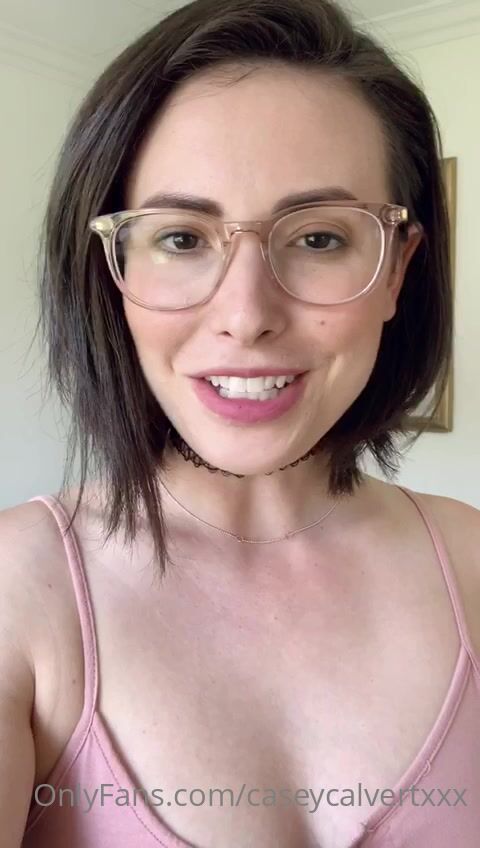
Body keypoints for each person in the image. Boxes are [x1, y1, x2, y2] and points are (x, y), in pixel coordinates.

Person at [1, 0, 479, 845]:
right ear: (110, 271)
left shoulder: (472, 563)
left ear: (397, 273)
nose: (247, 315)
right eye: (182, 239)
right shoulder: (17, 591)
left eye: (319, 238)